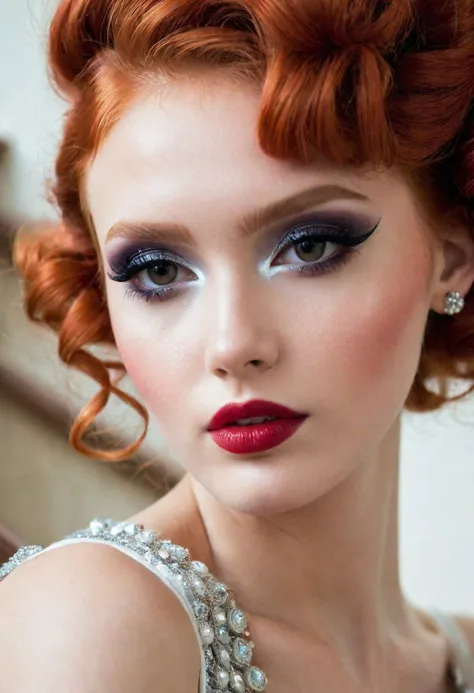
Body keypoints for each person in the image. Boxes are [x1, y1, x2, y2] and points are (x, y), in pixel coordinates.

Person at [1, 0, 474, 690]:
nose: (232, 344)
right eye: (158, 270)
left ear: (454, 257)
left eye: (308, 246)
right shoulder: (85, 628)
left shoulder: (459, 654)